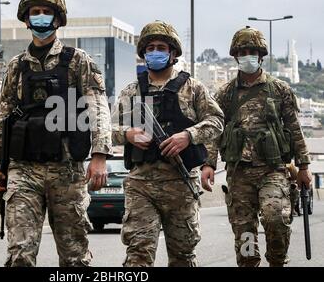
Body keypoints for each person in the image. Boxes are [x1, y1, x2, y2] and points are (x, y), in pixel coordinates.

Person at [0, 0, 113, 267]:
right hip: (23, 169)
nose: (40, 17)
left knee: (74, 257)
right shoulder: (16, 66)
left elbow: (98, 107)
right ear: (26, 19)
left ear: (57, 19)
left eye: (46, 12)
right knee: (19, 254)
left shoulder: (78, 61)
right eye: (35, 12)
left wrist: (100, 155)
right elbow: (4, 114)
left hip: (66, 170)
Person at [112, 20, 224, 267]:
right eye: (150, 47)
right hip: (141, 185)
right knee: (138, 255)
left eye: (161, 47)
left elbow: (216, 121)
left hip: (180, 185)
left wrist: (188, 136)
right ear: (143, 54)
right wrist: (129, 134)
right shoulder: (132, 92)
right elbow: (109, 130)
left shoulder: (192, 88)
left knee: (183, 256)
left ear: (172, 53)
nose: (155, 52)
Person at [202, 26, 313, 267]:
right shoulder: (225, 94)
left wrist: (303, 166)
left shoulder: (279, 89)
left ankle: (277, 261)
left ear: (261, 55)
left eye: (252, 51)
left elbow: (294, 129)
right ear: (235, 56)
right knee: (245, 233)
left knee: (275, 218)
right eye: (242, 51)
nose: (247, 55)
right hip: (239, 173)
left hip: (272, 170)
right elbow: (214, 131)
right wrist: (209, 164)